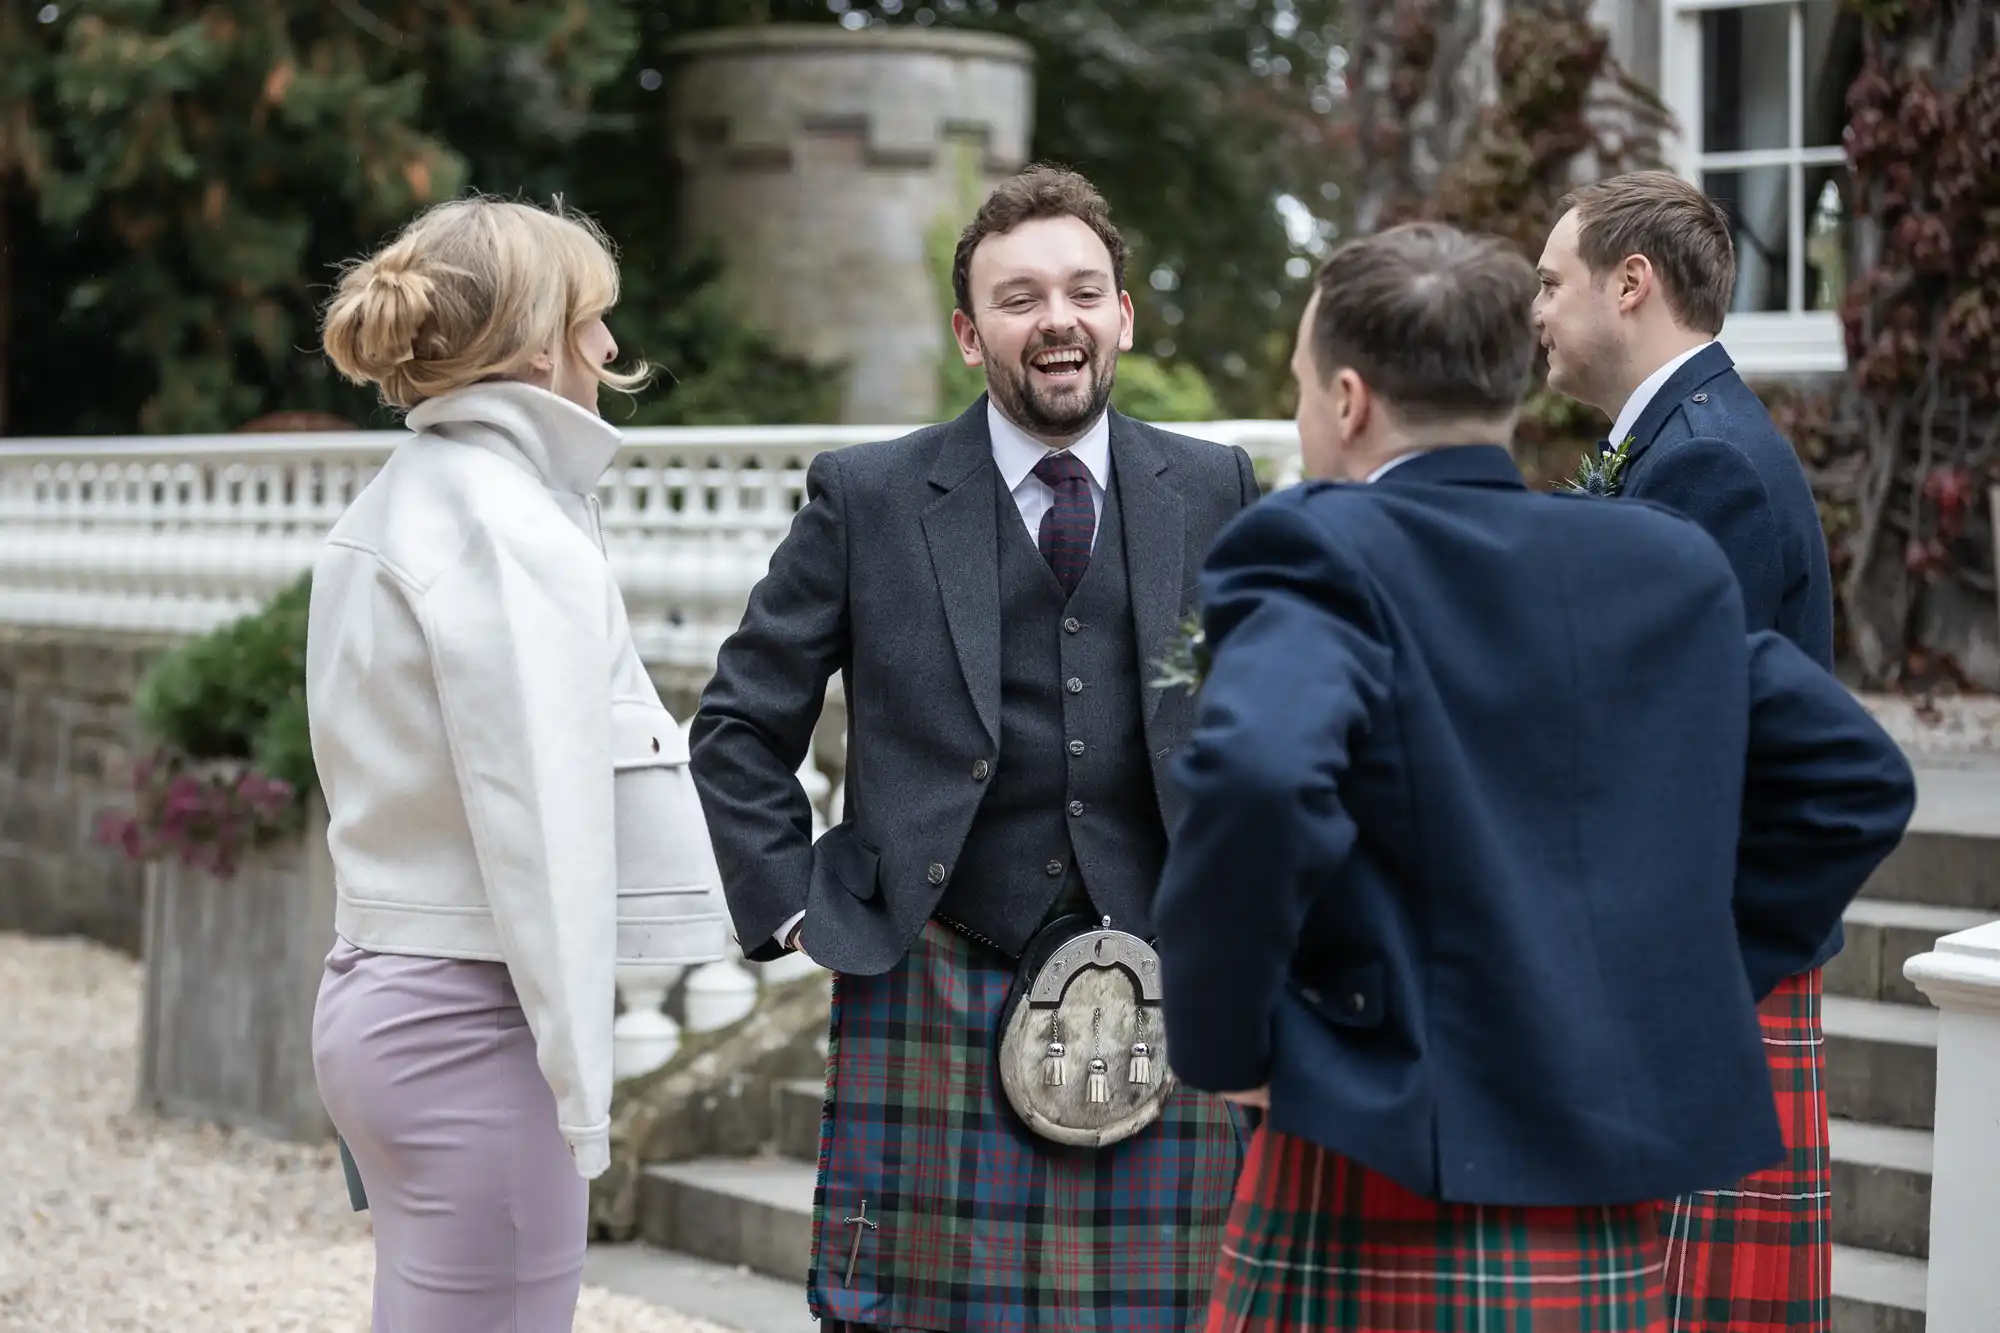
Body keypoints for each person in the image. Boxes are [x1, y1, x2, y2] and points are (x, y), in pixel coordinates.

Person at [1151, 221, 1917, 1333]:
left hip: (1370, 1169)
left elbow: (1262, 778)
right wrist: (1674, 973)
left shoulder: (1315, 551)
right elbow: (1857, 780)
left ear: (1349, 401)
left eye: (1303, 387)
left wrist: (1232, 1046)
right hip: (1590, 1210)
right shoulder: (1660, 561)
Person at [689, 165, 1259, 1332]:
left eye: (1082, 291)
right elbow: (740, 721)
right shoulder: (869, 495)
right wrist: (793, 903)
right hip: (935, 969)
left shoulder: (1210, 486)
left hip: (1164, 981)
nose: (1057, 319)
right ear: (967, 334)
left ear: (1121, 315)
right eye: (1019, 297)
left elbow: (1260, 717)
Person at [307, 196, 729, 1331]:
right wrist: (583, 1100)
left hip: (386, 996)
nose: (608, 344)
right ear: (540, 342)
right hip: (470, 1025)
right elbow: (542, 822)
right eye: (593, 319)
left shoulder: (406, 499)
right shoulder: (507, 526)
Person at [1535, 170, 1844, 1330]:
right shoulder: (1683, 439)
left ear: (1629, 283)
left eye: (1550, 282)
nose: (1535, 309)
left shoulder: (1702, 462)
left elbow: (1645, 741)